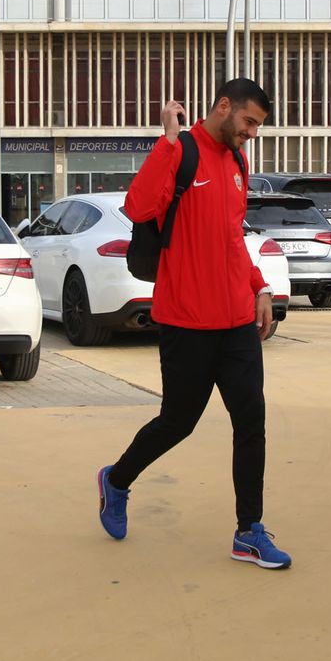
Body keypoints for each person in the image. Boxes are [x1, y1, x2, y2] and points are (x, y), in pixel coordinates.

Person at [96, 78, 289, 569]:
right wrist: (166, 143)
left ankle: (249, 531)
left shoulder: (238, 162)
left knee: (252, 422)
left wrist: (259, 286)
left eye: (258, 127)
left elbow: (230, 238)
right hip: (185, 321)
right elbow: (138, 208)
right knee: (178, 421)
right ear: (224, 107)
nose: (252, 133)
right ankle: (116, 480)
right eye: (248, 122)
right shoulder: (180, 152)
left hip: (236, 322)